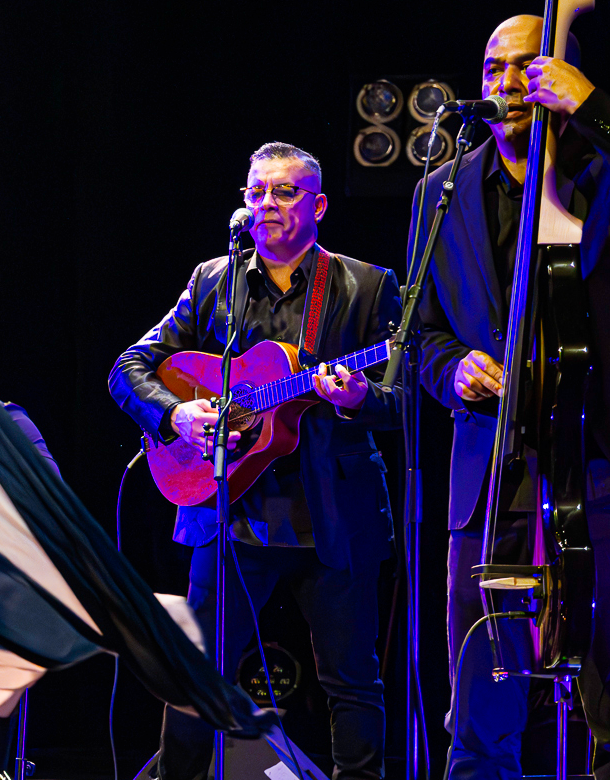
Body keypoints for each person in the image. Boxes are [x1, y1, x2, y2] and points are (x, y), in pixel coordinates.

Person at [410, 15, 610, 780]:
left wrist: (590, 107)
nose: (504, 85)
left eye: (525, 68)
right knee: (480, 717)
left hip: (608, 464)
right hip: (492, 477)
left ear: (560, 74)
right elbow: (421, 331)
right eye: (493, 69)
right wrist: (451, 367)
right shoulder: (443, 189)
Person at [109, 144, 399, 780]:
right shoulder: (214, 280)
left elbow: (406, 395)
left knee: (352, 682)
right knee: (196, 679)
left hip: (331, 512)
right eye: (256, 192)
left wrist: (357, 398)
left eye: (285, 192)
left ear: (318, 205)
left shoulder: (366, 286)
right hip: (231, 507)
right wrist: (176, 415)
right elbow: (128, 367)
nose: (267, 204)